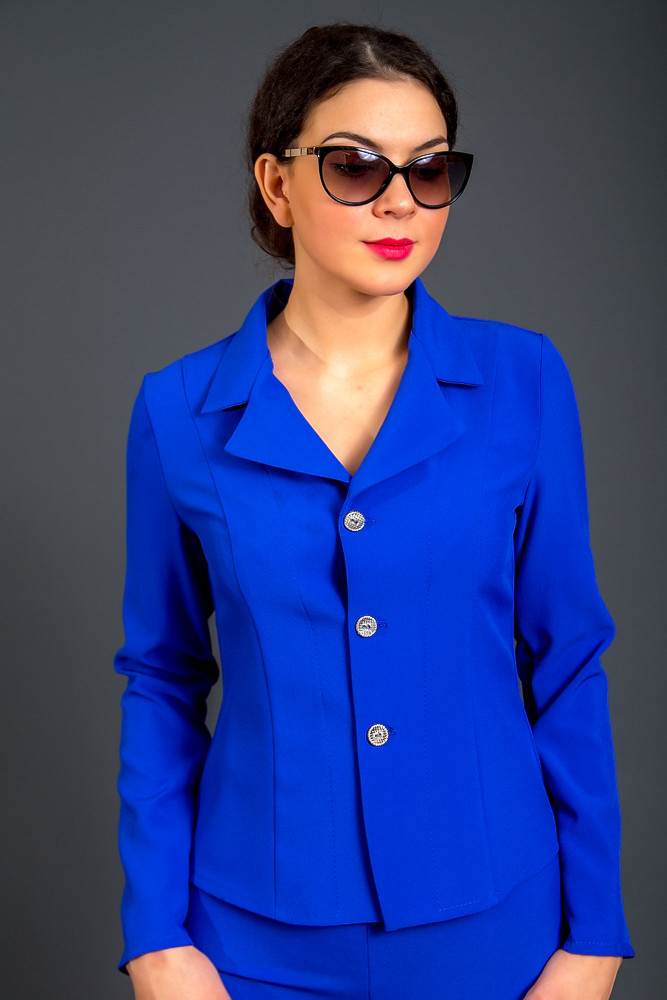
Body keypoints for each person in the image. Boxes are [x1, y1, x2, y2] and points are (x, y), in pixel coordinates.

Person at [114, 22, 634, 1000]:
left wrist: (595, 936)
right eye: (355, 166)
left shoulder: (522, 381)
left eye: (429, 170)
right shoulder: (176, 411)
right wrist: (154, 938)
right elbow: (162, 675)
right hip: (249, 944)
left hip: (497, 931)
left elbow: (569, 659)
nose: (400, 200)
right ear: (277, 185)